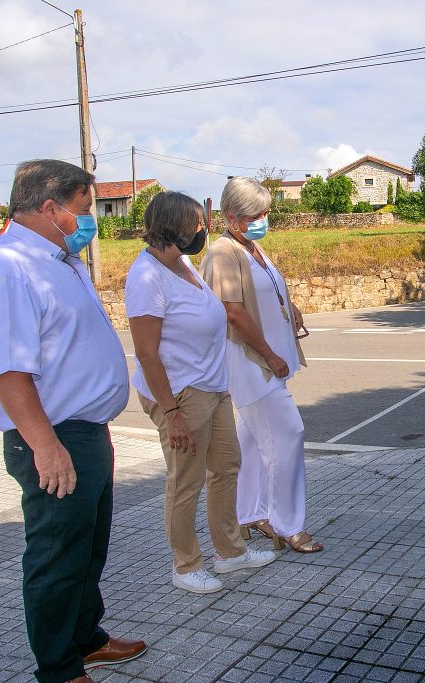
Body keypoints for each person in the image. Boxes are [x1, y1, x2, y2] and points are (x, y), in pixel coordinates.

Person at [0, 160, 146, 683]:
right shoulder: (7, 270)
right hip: (54, 436)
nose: (89, 220)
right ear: (51, 208)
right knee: (56, 557)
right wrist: (47, 447)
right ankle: (59, 667)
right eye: (85, 209)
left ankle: (85, 638)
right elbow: (9, 372)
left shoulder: (58, 259)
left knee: (88, 549)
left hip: (85, 432)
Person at [125, 191, 276, 594]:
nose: (202, 230)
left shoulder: (183, 264)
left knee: (226, 467)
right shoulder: (146, 277)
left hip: (213, 386)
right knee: (186, 479)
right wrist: (171, 411)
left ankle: (230, 552)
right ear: (173, 226)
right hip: (180, 394)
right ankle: (186, 564)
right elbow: (147, 352)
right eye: (196, 223)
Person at [200, 177, 322, 553]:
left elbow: (265, 290)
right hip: (251, 363)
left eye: (265, 212)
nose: (264, 219)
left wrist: (291, 306)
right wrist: (269, 354)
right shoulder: (223, 253)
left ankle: (248, 513)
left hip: (264, 361)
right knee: (288, 434)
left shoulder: (250, 246)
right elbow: (232, 312)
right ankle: (287, 524)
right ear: (232, 216)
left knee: (253, 441)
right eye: (256, 213)